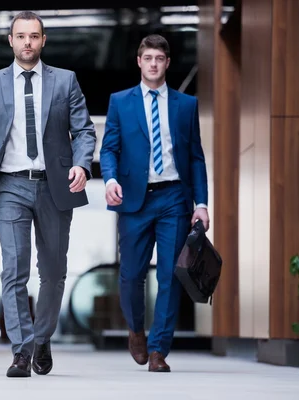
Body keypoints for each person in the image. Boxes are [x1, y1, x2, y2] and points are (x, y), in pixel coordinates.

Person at [0, 11, 96, 378]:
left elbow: (84, 131)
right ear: (10, 40)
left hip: (55, 186)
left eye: (34, 36)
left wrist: (82, 165)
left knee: (52, 271)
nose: (27, 43)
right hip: (10, 186)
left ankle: (42, 336)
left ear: (43, 40)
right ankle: (21, 350)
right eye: (21, 36)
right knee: (13, 270)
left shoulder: (66, 81)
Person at [100, 34, 209, 373]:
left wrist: (201, 202)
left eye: (159, 58)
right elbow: (109, 149)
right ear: (139, 61)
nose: (152, 64)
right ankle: (136, 330)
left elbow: (195, 158)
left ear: (167, 63)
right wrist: (111, 178)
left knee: (170, 275)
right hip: (134, 199)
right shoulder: (120, 101)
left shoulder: (186, 105)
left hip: (174, 197)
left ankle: (159, 349)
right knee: (131, 275)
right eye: (147, 57)